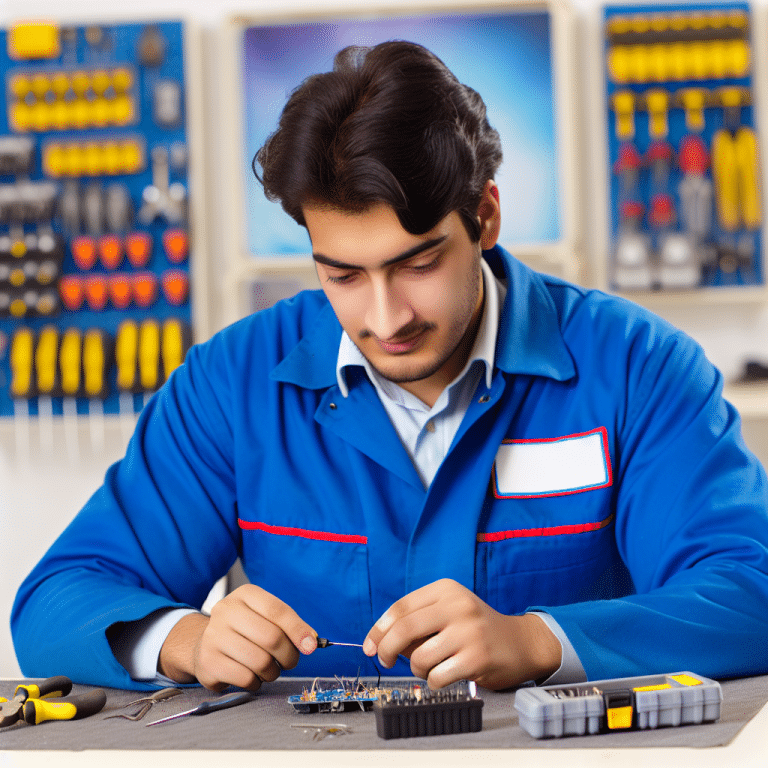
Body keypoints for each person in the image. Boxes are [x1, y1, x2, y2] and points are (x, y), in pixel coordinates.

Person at [12, 41, 768, 693]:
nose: (385, 317)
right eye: (342, 275)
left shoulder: (636, 367)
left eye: (418, 263)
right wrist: (185, 641)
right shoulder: (231, 386)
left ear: (486, 216)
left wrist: (540, 642)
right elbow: (56, 602)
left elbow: (750, 591)